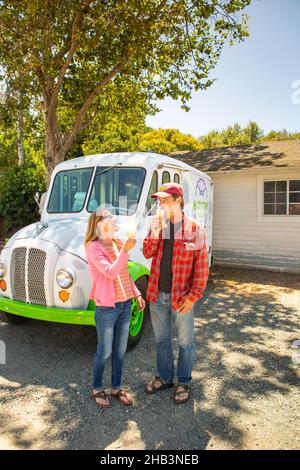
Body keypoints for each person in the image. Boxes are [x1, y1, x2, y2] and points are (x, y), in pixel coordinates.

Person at [143, 183, 209, 404]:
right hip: (157, 295)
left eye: (164, 200)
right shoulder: (159, 226)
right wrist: (153, 231)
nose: (160, 204)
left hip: (182, 297)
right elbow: (146, 252)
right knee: (161, 341)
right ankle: (165, 378)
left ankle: (183, 381)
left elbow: (201, 267)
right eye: (159, 201)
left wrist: (193, 296)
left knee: (185, 342)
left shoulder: (195, 229)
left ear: (178, 201)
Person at [85, 208, 145, 408]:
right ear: (100, 225)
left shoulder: (117, 244)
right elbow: (111, 272)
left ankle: (116, 387)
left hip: (125, 305)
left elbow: (124, 274)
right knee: (104, 351)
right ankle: (96, 388)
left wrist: (136, 294)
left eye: (114, 221)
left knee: (120, 351)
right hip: (107, 309)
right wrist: (126, 251)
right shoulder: (93, 247)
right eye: (111, 221)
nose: (116, 224)